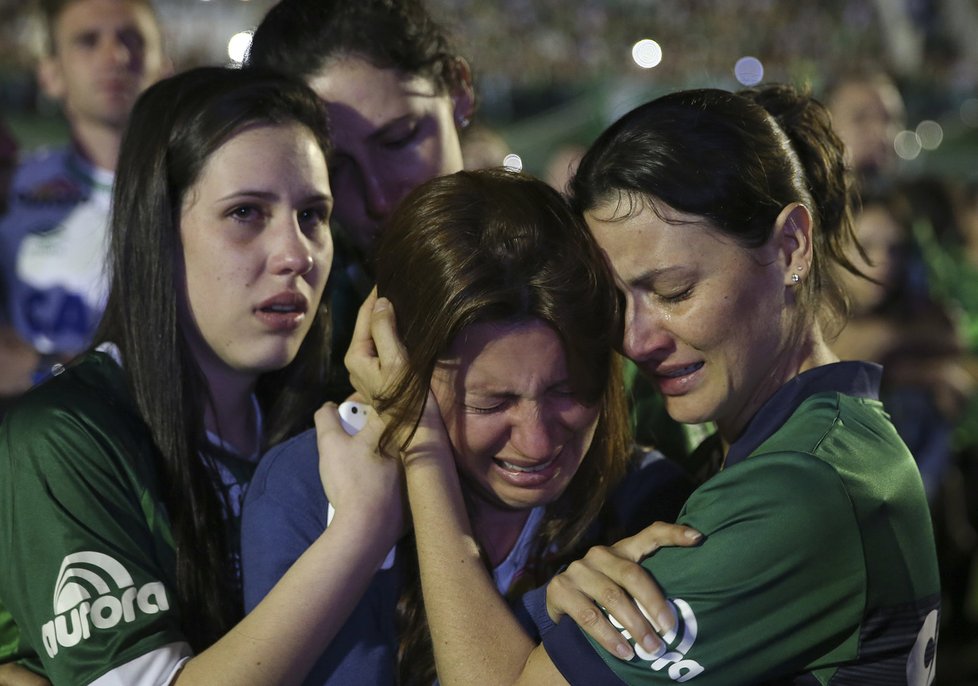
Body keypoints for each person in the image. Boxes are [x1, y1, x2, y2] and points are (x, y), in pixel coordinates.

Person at [347, 85, 942, 683]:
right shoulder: (820, 445)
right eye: (616, 302)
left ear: (791, 245)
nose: (636, 341)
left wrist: (420, 445)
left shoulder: (801, 487)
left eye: (675, 291)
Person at [0, 65, 407, 686]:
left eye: (312, 214)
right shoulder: (63, 437)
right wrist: (358, 534)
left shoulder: (323, 423)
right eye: (246, 212)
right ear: (158, 232)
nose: (296, 253)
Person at [241, 168, 696, 686]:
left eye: (567, 391)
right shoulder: (307, 489)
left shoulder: (649, 499)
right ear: (399, 361)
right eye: (492, 403)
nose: (538, 441)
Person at [246, 0, 475, 399]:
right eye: (334, 170)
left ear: (458, 89)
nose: (379, 199)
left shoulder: (573, 271)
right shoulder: (297, 330)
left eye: (398, 138)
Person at [0, 0, 169, 370]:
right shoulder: (11, 186)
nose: (116, 55)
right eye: (88, 41)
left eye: (132, 39)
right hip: (37, 419)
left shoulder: (207, 188)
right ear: (50, 75)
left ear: (164, 66)